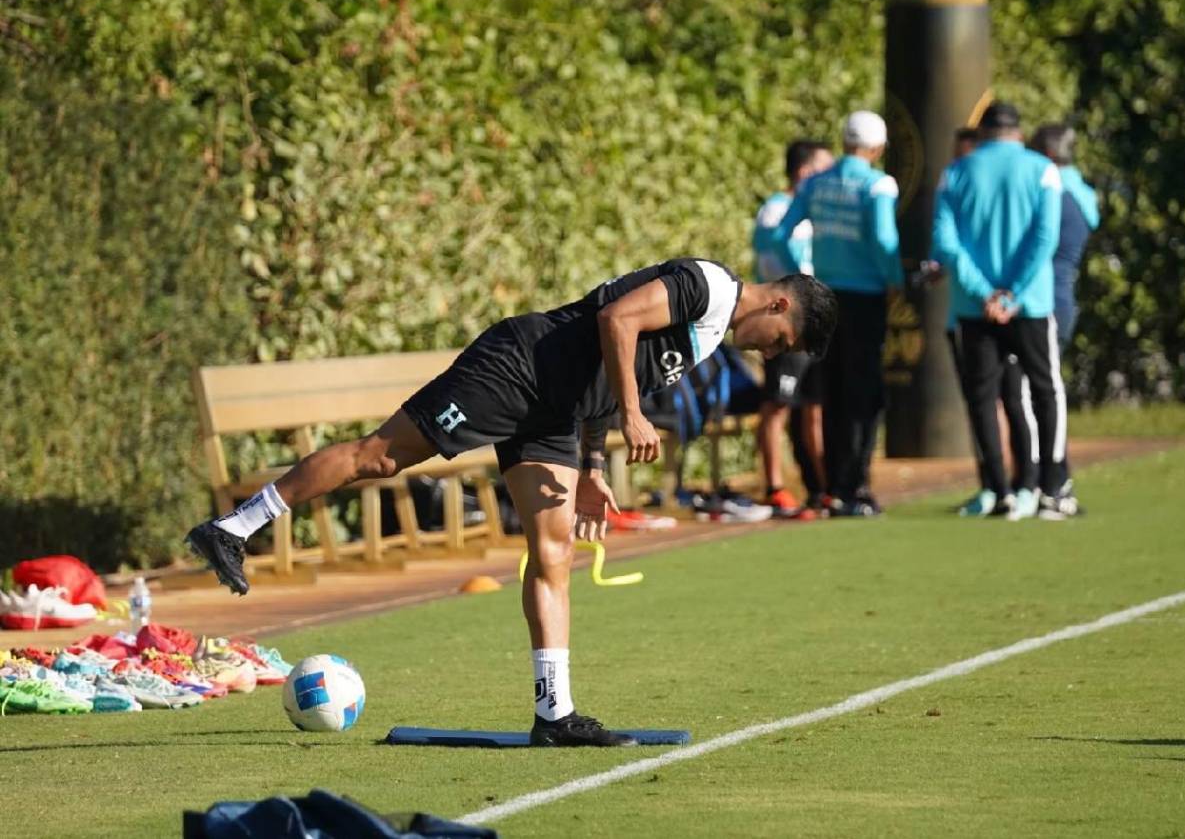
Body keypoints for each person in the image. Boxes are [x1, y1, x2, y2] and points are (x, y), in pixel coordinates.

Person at [185, 257, 838, 746]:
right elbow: (614, 320)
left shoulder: (714, 329)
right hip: (518, 368)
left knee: (553, 552)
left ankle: (553, 713)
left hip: (555, 412)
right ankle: (236, 526)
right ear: (778, 305)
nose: (770, 354)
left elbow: (608, 380)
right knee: (378, 457)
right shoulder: (708, 286)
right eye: (781, 342)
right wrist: (636, 418)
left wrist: (592, 463)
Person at [933, 101, 1079, 521]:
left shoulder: (956, 172)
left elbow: (947, 241)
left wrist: (983, 293)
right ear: (1018, 132)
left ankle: (999, 491)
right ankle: (1051, 489)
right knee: (1046, 391)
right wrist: (1011, 295)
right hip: (1029, 304)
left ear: (981, 133)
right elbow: (1045, 236)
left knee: (982, 399)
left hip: (973, 308)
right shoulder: (1042, 170)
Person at [772, 111, 902, 516]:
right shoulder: (878, 184)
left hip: (825, 296)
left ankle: (833, 487)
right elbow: (883, 239)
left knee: (833, 391)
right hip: (865, 298)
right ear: (877, 148)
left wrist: (803, 276)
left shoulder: (815, 183)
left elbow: (782, 233)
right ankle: (856, 486)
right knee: (864, 393)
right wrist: (894, 277)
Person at [941, 126, 1038, 516]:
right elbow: (945, 246)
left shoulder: (1007, 178)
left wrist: (1001, 296)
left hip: (1008, 310)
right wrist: (991, 295)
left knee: (1015, 400)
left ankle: (1027, 483)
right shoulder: (956, 182)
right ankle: (995, 488)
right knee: (982, 402)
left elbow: (1039, 240)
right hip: (970, 315)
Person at [750, 138, 835, 515]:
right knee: (777, 406)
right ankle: (775, 487)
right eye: (824, 170)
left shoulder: (811, 213)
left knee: (812, 406)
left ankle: (821, 487)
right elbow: (775, 270)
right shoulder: (775, 212)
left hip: (812, 323)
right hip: (786, 325)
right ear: (805, 172)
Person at [1028, 124, 1099, 352]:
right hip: (1061, 304)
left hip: (1042, 308)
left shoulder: (1056, 196)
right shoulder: (1080, 195)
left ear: (1048, 155)